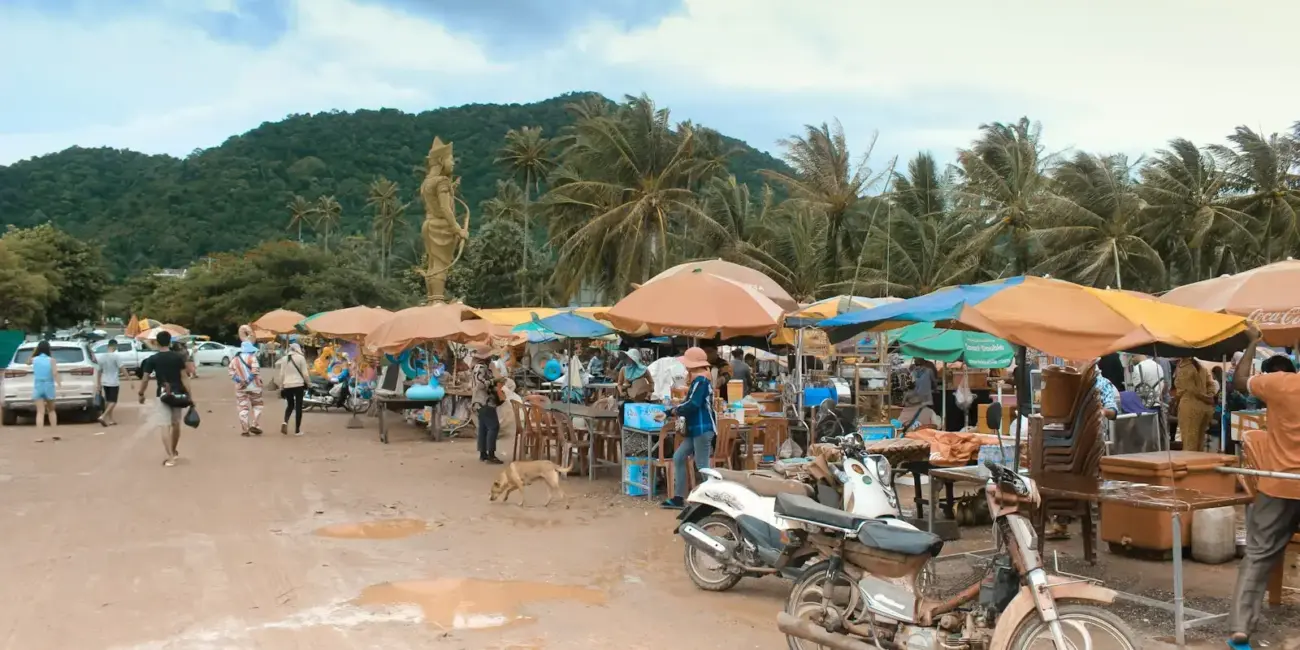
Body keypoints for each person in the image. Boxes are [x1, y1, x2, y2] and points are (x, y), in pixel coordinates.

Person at [1230, 327, 1300, 648]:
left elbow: (1239, 381)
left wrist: (1252, 343)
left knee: (1258, 555)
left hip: (1279, 485)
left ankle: (1241, 629)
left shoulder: (1279, 383)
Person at [659, 347, 717, 509]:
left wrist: (671, 411)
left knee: (702, 465)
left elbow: (693, 404)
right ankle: (679, 497)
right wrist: (671, 410)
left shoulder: (701, 381)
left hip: (702, 428)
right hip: (695, 429)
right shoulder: (699, 380)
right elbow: (690, 402)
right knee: (678, 457)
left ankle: (711, 499)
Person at [138, 331, 191, 467]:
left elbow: (145, 378)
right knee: (176, 424)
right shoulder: (177, 358)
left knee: (164, 425)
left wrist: (141, 393)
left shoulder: (153, 359)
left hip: (162, 394)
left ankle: (170, 456)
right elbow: (184, 377)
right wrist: (189, 395)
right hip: (178, 393)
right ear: (170, 341)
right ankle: (173, 450)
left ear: (157, 342)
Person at [471, 344, 504, 464]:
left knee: (484, 428)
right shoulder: (481, 367)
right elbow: (480, 385)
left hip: (479, 402)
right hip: (484, 401)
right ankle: (491, 454)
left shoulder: (478, 366)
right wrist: (493, 381)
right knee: (493, 427)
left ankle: (483, 453)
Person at [1175, 357, 1215, 452]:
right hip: (1204, 407)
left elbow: (1190, 389)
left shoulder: (1184, 367)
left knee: (1189, 442)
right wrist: (1209, 396)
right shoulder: (1202, 367)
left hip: (1189, 405)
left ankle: (1190, 465)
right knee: (1199, 443)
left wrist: (1204, 397)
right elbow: (1211, 385)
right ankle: (1199, 464)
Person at [228, 341, 264, 436]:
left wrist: (240, 380)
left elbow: (231, 372)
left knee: (242, 407)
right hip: (255, 386)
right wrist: (248, 381)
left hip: (240, 387)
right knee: (257, 405)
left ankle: (245, 429)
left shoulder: (234, 360)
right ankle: (255, 424)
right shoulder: (252, 358)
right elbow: (255, 371)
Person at [277, 342, 309, 436]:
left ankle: (285, 421)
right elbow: (305, 374)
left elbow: (281, 374)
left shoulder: (284, 359)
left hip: (287, 385)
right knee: (298, 407)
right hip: (298, 385)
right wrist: (309, 383)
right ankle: (297, 430)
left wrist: (281, 386)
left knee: (290, 405)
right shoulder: (301, 358)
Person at [30, 340, 60, 430]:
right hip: (49, 386)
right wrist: (59, 383)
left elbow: (27, 362)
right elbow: (55, 373)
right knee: (51, 410)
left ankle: (39, 436)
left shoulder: (34, 360)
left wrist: (35, 351)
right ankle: (55, 432)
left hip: (38, 386)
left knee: (40, 412)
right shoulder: (51, 360)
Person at [96, 339, 124, 426]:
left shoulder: (102, 357)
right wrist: (129, 379)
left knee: (108, 400)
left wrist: (98, 383)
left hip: (105, 381)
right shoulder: (116, 356)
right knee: (113, 401)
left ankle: (110, 419)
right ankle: (103, 416)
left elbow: (99, 371)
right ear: (114, 346)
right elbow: (122, 368)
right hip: (113, 382)